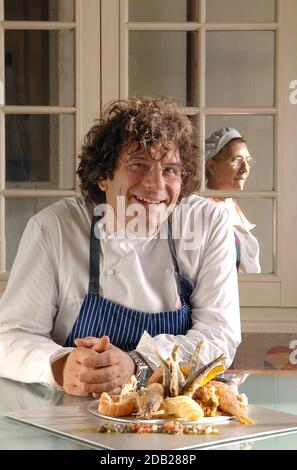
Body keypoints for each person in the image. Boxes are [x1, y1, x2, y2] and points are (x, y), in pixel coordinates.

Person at [0, 97, 240, 397]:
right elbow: (11, 336)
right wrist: (61, 365)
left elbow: (219, 336)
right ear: (103, 175)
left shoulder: (208, 222)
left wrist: (137, 364)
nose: (156, 184)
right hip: (72, 413)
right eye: (138, 164)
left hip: (172, 415)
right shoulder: (55, 227)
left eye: (170, 170)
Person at [205, 127, 261, 273]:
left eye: (248, 161)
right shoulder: (204, 210)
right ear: (211, 166)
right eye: (237, 160)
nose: (245, 169)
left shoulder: (230, 204)